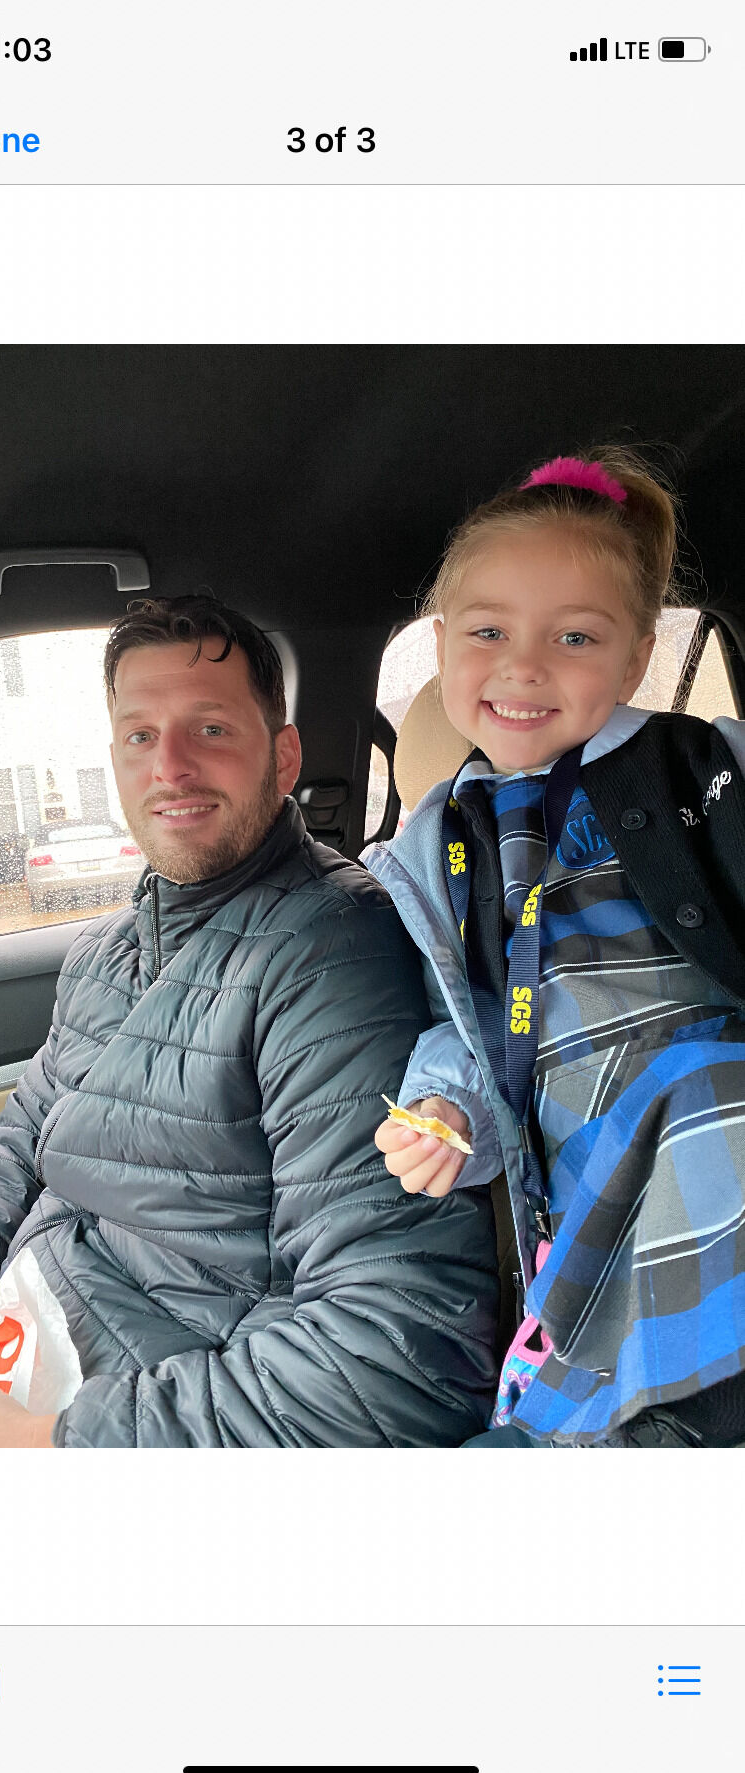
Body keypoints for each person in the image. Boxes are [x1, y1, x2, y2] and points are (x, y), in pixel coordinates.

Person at [0, 596, 499, 1449]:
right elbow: (10, 1160)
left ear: (284, 756)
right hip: (9, 1352)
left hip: (125, 1416)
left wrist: (46, 1446)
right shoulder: (106, 951)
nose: (171, 766)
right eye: (139, 736)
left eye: (211, 729)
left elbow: (396, 1358)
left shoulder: (333, 952)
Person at [366, 448, 745, 1447]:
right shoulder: (440, 844)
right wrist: (445, 1108)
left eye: (574, 637)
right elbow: (465, 1022)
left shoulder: (700, 769)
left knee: (712, 1091)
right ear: (443, 647)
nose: (524, 666)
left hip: (720, 1110)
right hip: (583, 1162)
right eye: (489, 631)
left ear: (633, 661)